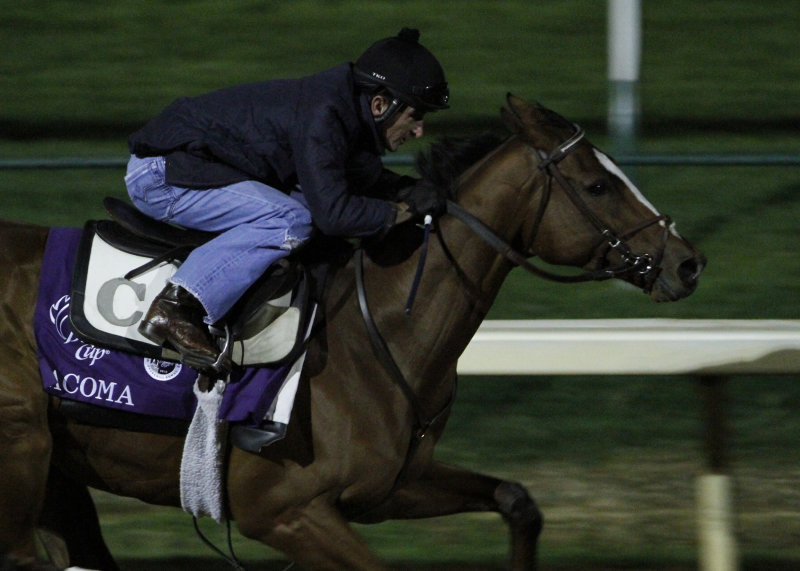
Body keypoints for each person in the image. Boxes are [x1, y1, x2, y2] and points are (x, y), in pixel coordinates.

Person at [123, 27, 450, 370]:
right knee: (292, 219)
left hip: (195, 166)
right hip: (161, 176)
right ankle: (176, 307)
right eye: (416, 116)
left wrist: (405, 188)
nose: (419, 131)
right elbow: (334, 214)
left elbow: (350, 178)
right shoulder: (324, 114)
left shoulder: (343, 112)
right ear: (381, 104)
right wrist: (402, 210)